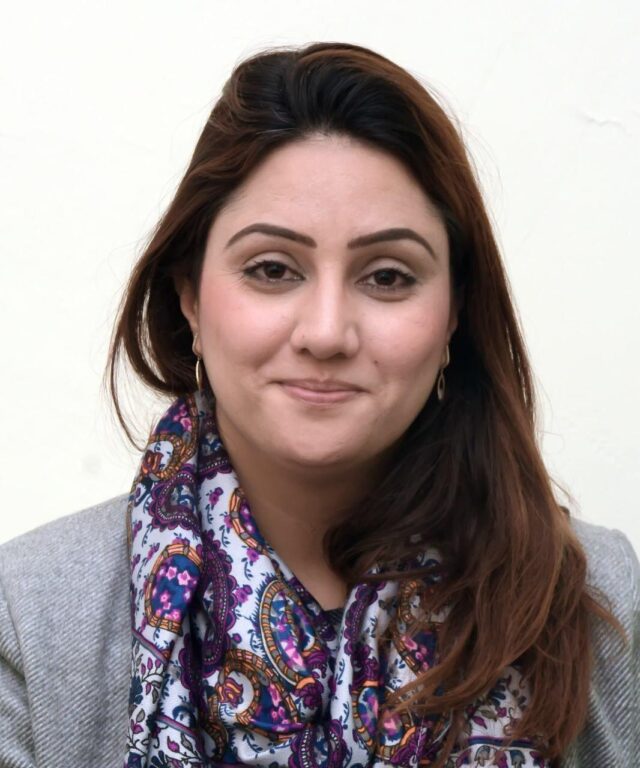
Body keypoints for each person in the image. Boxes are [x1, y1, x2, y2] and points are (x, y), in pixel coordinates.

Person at [0, 42, 637, 768]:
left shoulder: (598, 599)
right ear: (190, 299)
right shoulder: (31, 617)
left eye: (388, 277)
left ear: (454, 313)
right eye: (273, 269)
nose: (327, 332)